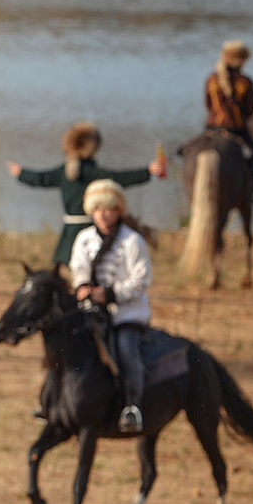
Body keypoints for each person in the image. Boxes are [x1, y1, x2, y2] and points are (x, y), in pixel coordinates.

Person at [8, 122, 164, 269]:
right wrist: (147, 171)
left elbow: (41, 178)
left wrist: (21, 173)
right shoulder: (95, 172)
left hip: (70, 231)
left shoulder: (63, 172)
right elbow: (121, 178)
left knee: (68, 266)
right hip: (91, 226)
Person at [68, 178, 154, 434]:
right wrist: (83, 286)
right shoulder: (83, 239)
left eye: (108, 209)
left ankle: (132, 407)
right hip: (91, 311)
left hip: (126, 314)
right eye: (97, 209)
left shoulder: (133, 241)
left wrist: (111, 294)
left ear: (118, 211)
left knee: (126, 352)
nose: (103, 215)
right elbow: (78, 269)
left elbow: (141, 280)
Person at [205, 40, 253, 150]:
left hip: (211, 127)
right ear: (243, 60)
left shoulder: (211, 80)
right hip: (236, 128)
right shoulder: (245, 82)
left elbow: (208, 105)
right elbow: (250, 110)